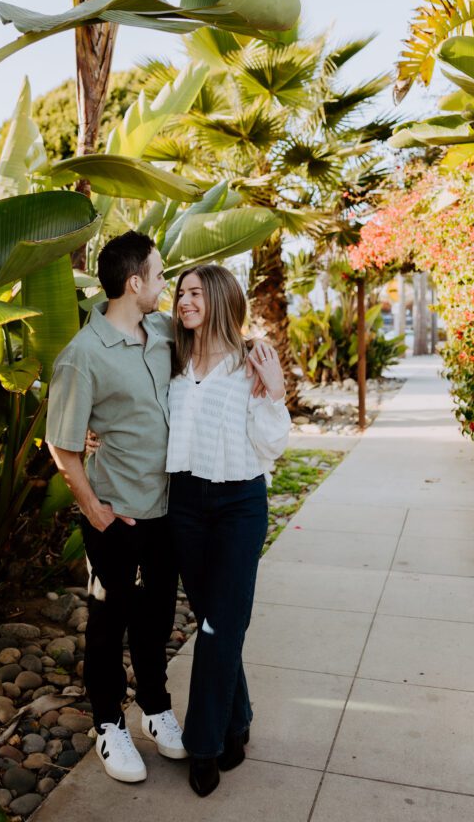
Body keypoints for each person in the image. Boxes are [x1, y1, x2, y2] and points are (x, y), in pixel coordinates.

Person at [46, 231, 274, 786]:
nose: (167, 286)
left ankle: (154, 708)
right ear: (135, 282)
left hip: (172, 510)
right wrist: (96, 512)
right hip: (117, 515)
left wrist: (262, 363)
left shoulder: (164, 332)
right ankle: (107, 722)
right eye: (158, 274)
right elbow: (61, 444)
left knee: (155, 620)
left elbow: (219, 339)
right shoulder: (82, 355)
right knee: (108, 622)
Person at [166, 264, 290, 797]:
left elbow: (270, 446)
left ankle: (205, 745)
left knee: (220, 627)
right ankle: (237, 720)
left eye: (194, 292)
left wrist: (277, 393)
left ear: (218, 297)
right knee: (214, 621)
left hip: (239, 502)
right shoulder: (170, 360)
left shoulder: (251, 361)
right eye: (179, 293)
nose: (183, 301)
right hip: (186, 503)